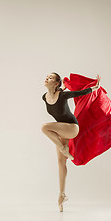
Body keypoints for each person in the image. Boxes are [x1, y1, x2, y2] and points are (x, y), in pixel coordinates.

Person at [41, 72, 100, 212]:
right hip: (61, 131)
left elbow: (80, 93)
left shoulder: (62, 95)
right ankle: (62, 195)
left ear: (56, 83)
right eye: (47, 76)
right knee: (61, 163)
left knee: (44, 127)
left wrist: (94, 88)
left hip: (72, 128)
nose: (46, 78)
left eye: (50, 78)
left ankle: (63, 148)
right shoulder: (44, 97)